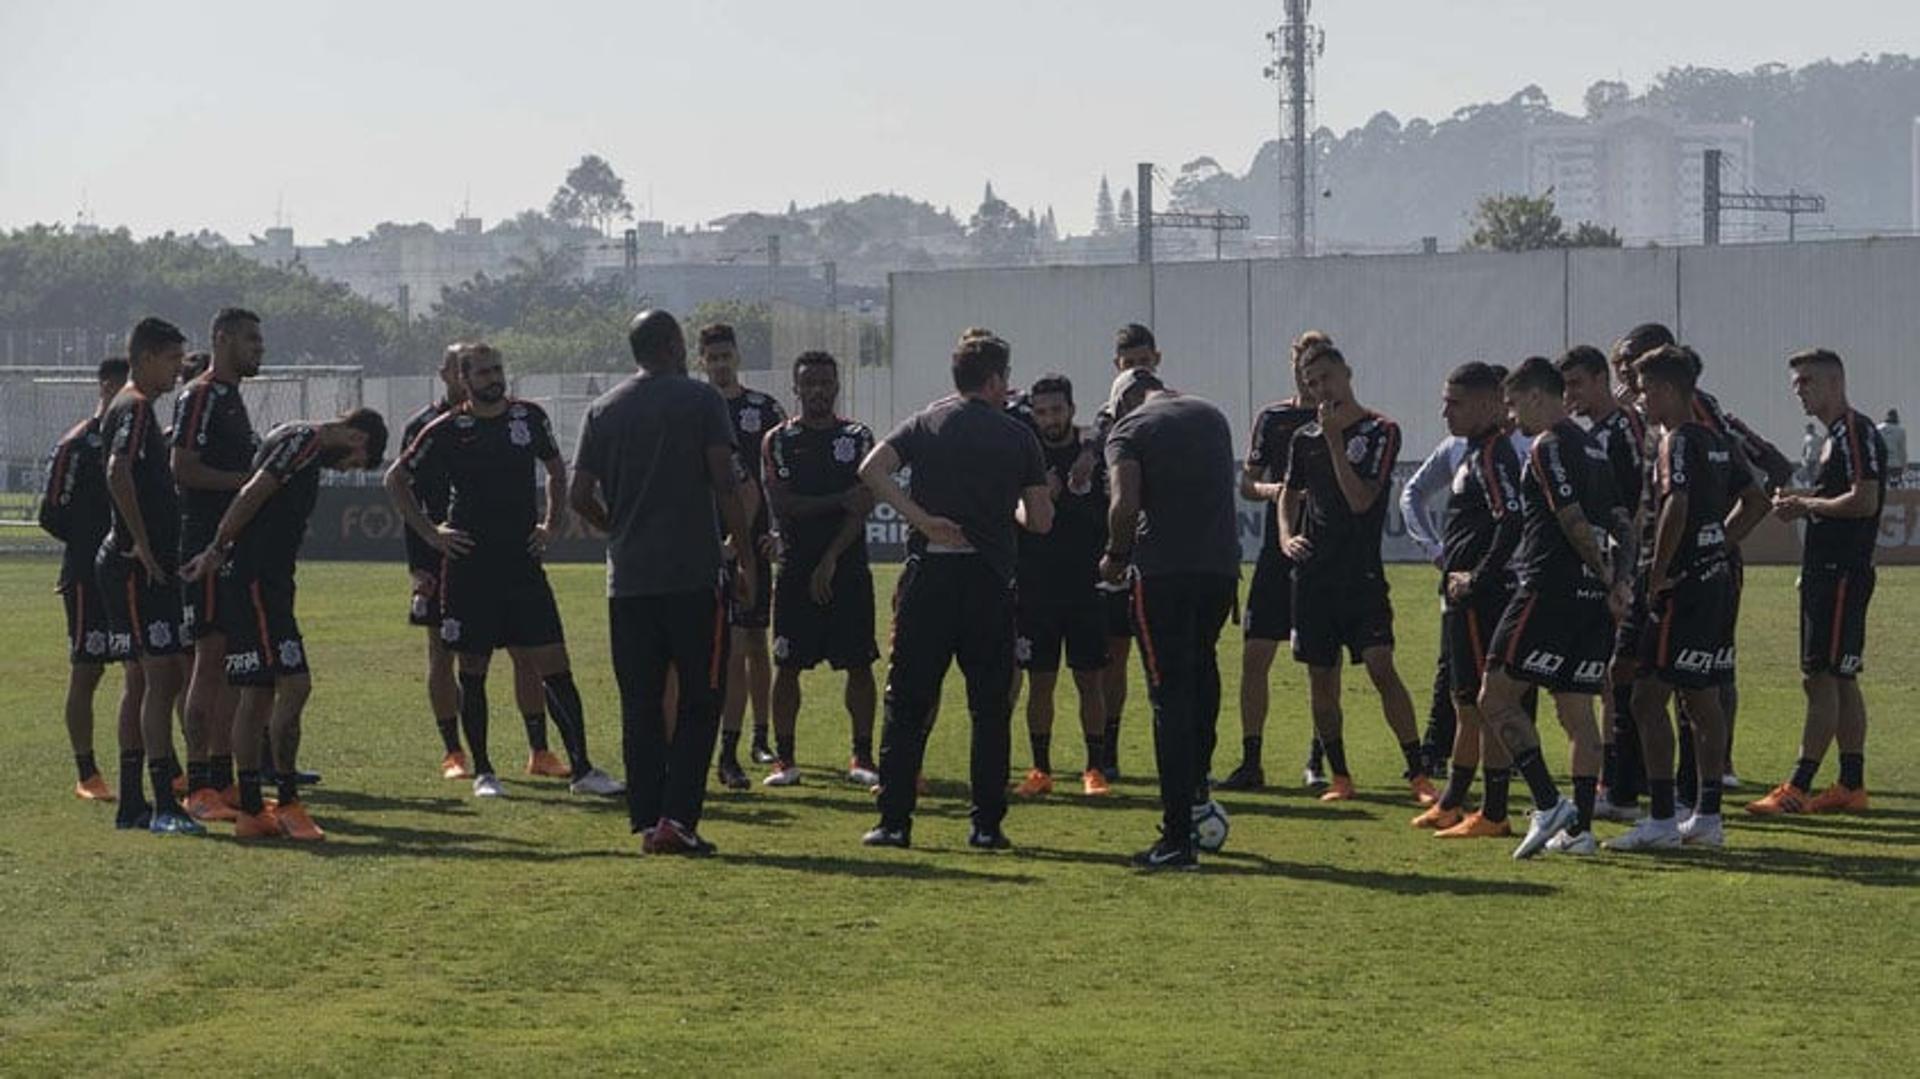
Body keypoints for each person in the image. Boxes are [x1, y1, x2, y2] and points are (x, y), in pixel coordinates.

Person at [387, 342, 622, 801]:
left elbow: (557, 471)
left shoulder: (529, 418)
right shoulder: (446, 428)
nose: (494, 378)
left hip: (522, 563)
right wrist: (433, 534)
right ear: (464, 378)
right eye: (483, 372)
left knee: (554, 663)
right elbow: (395, 479)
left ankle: (583, 767)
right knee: (471, 668)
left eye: (498, 369)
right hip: (470, 566)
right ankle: (484, 771)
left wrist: (552, 523)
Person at [570, 310, 755, 856]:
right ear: (676, 345)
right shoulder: (702, 402)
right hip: (693, 577)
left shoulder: (603, 409)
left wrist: (617, 526)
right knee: (701, 699)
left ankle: (649, 820)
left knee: (642, 704)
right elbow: (725, 482)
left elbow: (580, 496)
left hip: (628, 582)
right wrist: (744, 558)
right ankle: (679, 816)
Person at [857, 331, 1051, 850]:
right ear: (993, 380)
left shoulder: (926, 422)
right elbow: (1040, 520)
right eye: (1005, 379)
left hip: (929, 576)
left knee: (907, 702)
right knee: (989, 708)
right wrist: (1006, 510)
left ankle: (893, 821)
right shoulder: (1018, 437)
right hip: (987, 580)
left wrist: (923, 518)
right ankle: (986, 826)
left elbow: (871, 469)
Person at [180, 409, 388, 839]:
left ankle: (254, 809)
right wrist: (218, 549)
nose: (345, 468)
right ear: (358, 437)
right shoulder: (304, 442)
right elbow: (254, 492)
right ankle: (285, 802)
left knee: (256, 692)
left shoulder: (292, 438)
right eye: (354, 462)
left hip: (265, 580)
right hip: (257, 581)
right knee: (292, 685)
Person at [1607, 346, 1767, 850]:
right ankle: (1707, 814)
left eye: (1646, 388)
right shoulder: (1717, 440)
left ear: (1670, 391)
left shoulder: (1674, 441)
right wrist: (1717, 544)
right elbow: (1757, 499)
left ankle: (1659, 816)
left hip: (1677, 589)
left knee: (1647, 696)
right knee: (1700, 695)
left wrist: (1658, 573)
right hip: (1713, 581)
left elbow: (1674, 504)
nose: (1639, 397)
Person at [1478, 357, 1635, 859]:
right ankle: (1581, 830)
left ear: (1536, 397)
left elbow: (1570, 518)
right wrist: (1618, 582)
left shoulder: (1547, 447)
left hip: (1547, 592)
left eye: (1513, 403)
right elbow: (1623, 521)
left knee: (1494, 697)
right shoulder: (1594, 447)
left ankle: (1548, 803)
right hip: (1591, 602)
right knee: (1576, 712)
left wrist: (1606, 572)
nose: (1510, 415)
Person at [1278, 346, 1436, 805]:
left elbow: (1361, 501)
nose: (1321, 389)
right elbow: (1289, 492)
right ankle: (1340, 776)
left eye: (1327, 377)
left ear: (1347, 373)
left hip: (1361, 574)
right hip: (1314, 578)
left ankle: (1418, 774)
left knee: (1381, 666)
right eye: (1312, 382)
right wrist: (1287, 537)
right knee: (1321, 679)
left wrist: (1333, 443)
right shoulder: (1303, 438)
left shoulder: (1381, 431)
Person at [398, 345, 559, 782]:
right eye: (456, 368)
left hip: (501, 555)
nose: (466, 376)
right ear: (448, 373)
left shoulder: (512, 419)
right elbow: (403, 486)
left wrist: (547, 523)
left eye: (491, 369)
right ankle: (455, 751)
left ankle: (539, 750)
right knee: (445, 654)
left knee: (524, 651)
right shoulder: (426, 427)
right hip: (444, 555)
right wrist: (424, 555)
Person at [1101, 368, 1240, 869]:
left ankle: (1177, 834)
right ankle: (1199, 786)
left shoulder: (1130, 429)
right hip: (1220, 571)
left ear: (1127, 401)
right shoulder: (1213, 415)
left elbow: (1124, 503)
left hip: (1162, 575)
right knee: (1204, 675)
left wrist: (1116, 557)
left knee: (1168, 696)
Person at [1747, 349, 1885, 816]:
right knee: (1840, 677)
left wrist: (1807, 506)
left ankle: (1798, 787)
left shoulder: (1855, 430)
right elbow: (1840, 497)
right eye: (1796, 383)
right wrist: (1804, 499)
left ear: (1834, 382)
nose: (1798, 391)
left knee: (1820, 678)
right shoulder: (1836, 436)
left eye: (1807, 381)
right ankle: (1851, 783)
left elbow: (1865, 500)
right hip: (1830, 572)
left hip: (1841, 574)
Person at [1410, 363, 1524, 839]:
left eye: (1454, 402)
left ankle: (1494, 811)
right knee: (1465, 705)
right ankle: (1454, 800)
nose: (1444, 412)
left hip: (1482, 600)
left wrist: (1477, 580)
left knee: (1486, 704)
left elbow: (1512, 520)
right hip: (1462, 600)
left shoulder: (1495, 454)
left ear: (1484, 404)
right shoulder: (1472, 452)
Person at [761, 350, 881, 787]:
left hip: (847, 568)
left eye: (824, 382)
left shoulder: (858, 436)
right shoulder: (778, 439)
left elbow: (863, 503)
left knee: (859, 663)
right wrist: (836, 500)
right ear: (795, 388)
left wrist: (830, 558)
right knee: (788, 665)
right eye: (808, 383)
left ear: (836, 385)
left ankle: (862, 757)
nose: (817, 391)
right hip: (794, 567)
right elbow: (784, 504)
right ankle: (785, 760)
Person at [96, 317, 192, 834]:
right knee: (161, 678)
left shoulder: (134, 407)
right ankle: (161, 805)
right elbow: (117, 472)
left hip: (133, 566)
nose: (179, 370)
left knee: (142, 680)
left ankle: (133, 803)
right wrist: (144, 547)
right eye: (175, 360)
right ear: (149, 357)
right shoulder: (133, 407)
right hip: (136, 569)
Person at [169, 308, 262, 822]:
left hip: (231, 548)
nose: (259, 348)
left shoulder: (231, 398)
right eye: (251, 339)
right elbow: (183, 468)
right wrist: (250, 485)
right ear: (222, 338)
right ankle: (198, 784)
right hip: (203, 545)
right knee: (206, 663)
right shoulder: (201, 394)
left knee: (228, 664)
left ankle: (223, 779)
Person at [1219, 330, 1323, 792]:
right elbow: (1247, 483)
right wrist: (1275, 490)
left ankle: (1319, 761)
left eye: (1319, 368)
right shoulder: (1275, 418)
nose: (1311, 377)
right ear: (1295, 367)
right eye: (1304, 366)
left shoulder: (1341, 420)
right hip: (1274, 551)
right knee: (1256, 654)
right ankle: (1251, 759)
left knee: (1322, 663)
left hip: (1323, 554)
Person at [1009, 373, 1111, 799]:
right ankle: (1041, 769)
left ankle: (1094, 768)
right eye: (1043, 411)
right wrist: (1041, 499)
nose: (1050, 418)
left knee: (1090, 681)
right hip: (1036, 589)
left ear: (1071, 409)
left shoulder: (1094, 456)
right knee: (1041, 682)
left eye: (1057, 409)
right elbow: (1016, 513)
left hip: (1087, 588)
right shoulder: (1025, 457)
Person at [1559, 344, 1649, 823]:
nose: (1570, 394)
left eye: (1576, 384)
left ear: (1599, 381)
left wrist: (1624, 574)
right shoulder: (1598, 432)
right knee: (1609, 675)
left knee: (1621, 676)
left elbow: (1635, 506)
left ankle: (1622, 783)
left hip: (1623, 571)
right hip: (1608, 569)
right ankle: (1616, 779)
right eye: (1565, 385)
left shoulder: (1623, 430)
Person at [40, 357, 132, 802]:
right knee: (88, 669)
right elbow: (50, 513)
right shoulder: (78, 444)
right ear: (110, 385)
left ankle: (163, 767)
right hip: (85, 576)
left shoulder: (139, 439)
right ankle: (87, 772)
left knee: (148, 669)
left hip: (131, 573)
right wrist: (92, 546)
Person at [697, 323, 787, 781]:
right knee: (726, 644)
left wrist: (771, 531)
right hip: (703, 541)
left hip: (751, 540)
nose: (720, 365)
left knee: (754, 641)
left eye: (726, 356)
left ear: (737, 357)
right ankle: (726, 747)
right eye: (712, 358)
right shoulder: (693, 408)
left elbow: (777, 478)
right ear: (701, 362)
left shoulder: (763, 408)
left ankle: (759, 736)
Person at [1093, 322, 1161, 781]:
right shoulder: (1103, 425)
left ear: (1156, 360)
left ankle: (1179, 750)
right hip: (1117, 556)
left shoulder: (1168, 413)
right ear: (1117, 367)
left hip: (1159, 555)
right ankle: (1108, 747)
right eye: (1129, 363)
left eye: (1143, 361)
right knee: (1112, 656)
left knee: (1164, 658)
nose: (1137, 369)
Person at [1878, 408, 1906, 488]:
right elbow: (1902, 450)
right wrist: (1904, 465)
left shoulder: (1878, 429)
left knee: (1882, 486)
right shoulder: (1900, 430)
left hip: (1882, 462)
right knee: (1895, 487)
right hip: (1895, 464)